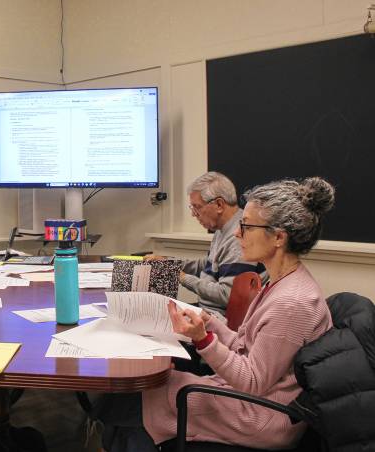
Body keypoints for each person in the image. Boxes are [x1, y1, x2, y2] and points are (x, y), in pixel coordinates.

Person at [95, 177, 335, 451]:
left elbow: (253, 381)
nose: (237, 233)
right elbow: (246, 349)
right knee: (141, 392)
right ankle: (115, 439)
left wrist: (204, 340)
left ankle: (113, 439)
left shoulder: (291, 303)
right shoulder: (281, 282)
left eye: (246, 227)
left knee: (142, 394)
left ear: (279, 237)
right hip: (253, 400)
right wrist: (209, 324)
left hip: (262, 417)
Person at [147, 171, 265, 316]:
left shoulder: (238, 237)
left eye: (197, 207)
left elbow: (227, 295)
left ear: (219, 204)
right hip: (207, 311)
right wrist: (170, 264)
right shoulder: (222, 230)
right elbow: (210, 265)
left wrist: (182, 277)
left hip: (218, 320)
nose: (193, 214)